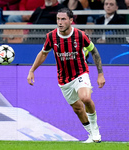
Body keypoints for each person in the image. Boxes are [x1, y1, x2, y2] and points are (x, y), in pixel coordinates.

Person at [27, 7, 105, 143]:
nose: (60, 22)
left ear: (70, 20)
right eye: (58, 19)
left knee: (85, 98)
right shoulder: (51, 37)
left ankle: (95, 130)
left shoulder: (80, 35)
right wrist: (32, 70)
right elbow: (43, 53)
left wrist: (100, 74)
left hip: (81, 72)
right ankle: (91, 135)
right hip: (64, 79)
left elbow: (95, 52)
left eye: (63, 19)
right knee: (78, 109)